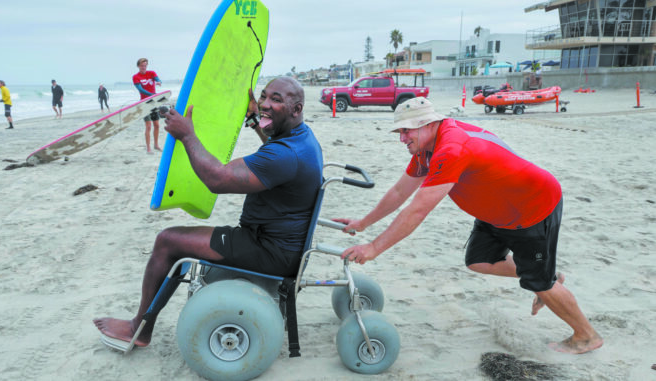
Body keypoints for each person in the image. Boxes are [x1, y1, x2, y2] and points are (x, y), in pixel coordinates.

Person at [335, 97, 603, 355]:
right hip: (497, 211)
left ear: (428, 124)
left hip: (532, 209)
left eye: (406, 130)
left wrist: (373, 248)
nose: (402, 138)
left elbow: (417, 209)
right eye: (399, 131)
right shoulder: (427, 148)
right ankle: (549, 277)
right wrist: (363, 223)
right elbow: (398, 193)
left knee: (539, 282)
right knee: (479, 260)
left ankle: (586, 335)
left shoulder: (451, 148)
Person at [93, 77, 323, 349]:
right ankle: (143, 323)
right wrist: (252, 120)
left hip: (269, 250)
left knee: (168, 241)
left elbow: (217, 179)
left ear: (296, 109)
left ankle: (139, 329)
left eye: (276, 100)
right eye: (263, 96)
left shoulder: (285, 155)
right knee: (178, 239)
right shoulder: (300, 137)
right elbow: (270, 140)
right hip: (281, 245)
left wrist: (187, 135)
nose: (264, 104)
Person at [132, 58, 162, 153]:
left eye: (145, 65)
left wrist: (159, 82)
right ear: (138, 66)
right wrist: (152, 95)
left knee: (157, 125)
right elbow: (140, 89)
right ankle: (148, 147)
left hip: (154, 102)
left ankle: (156, 145)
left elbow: (157, 79)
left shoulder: (152, 73)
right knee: (148, 126)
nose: (143, 67)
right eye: (142, 65)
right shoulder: (135, 77)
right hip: (144, 103)